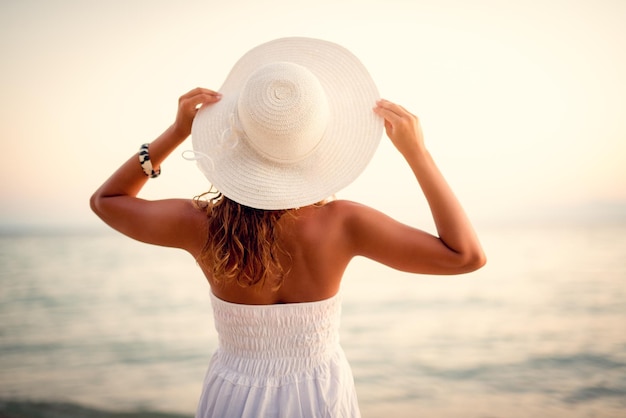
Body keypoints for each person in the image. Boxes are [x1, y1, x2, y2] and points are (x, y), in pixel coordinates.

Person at [90, 37, 485, 418]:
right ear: (317, 144)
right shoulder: (344, 223)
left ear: (238, 137)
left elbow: (107, 201)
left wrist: (177, 132)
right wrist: (418, 154)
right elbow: (465, 256)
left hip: (233, 395)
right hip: (319, 396)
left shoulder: (201, 225)